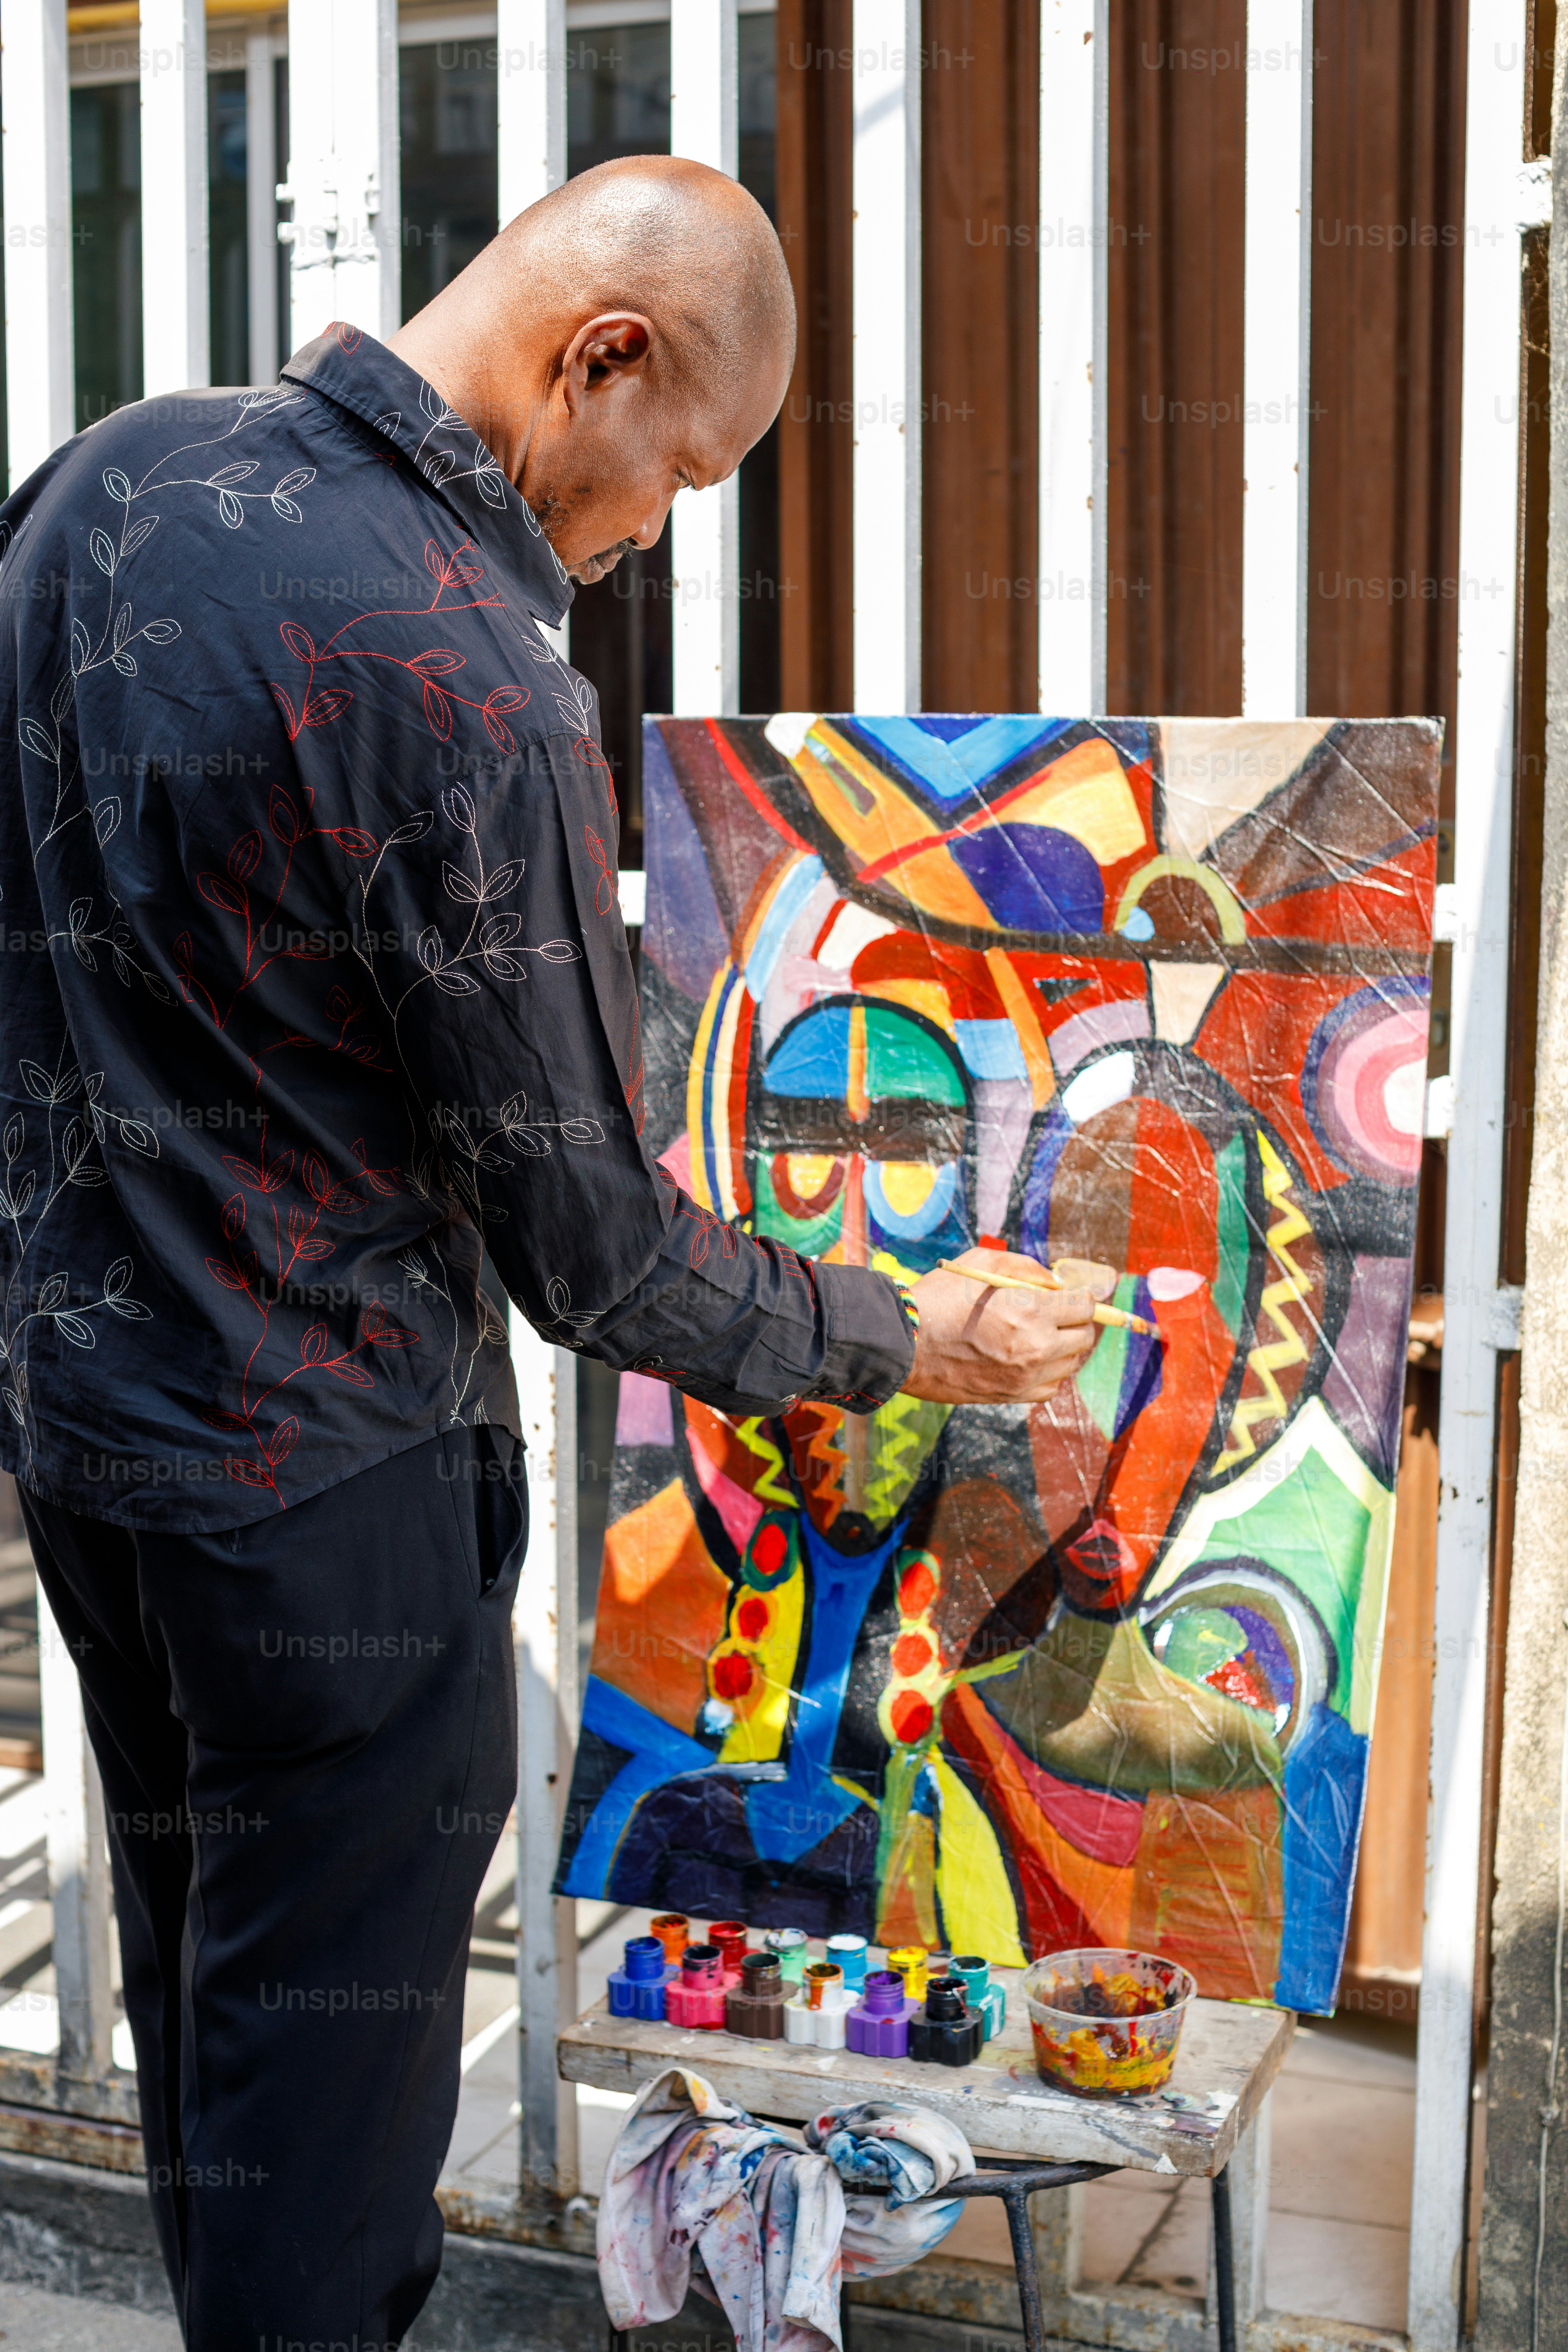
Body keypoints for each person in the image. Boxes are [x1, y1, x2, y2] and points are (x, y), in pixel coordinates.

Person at [0, 156, 1093, 2347]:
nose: (649, 531)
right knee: (326, 2161)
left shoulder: (100, 485)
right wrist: (909, 1329)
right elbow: (593, 1255)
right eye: (677, 469)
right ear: (601, 357)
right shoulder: (464, 673)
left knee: (231, 2058)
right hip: (325, 1509)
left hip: (96, 1467)